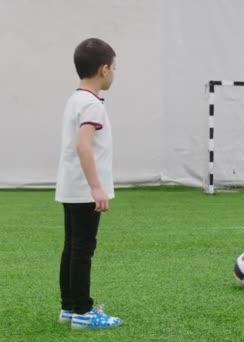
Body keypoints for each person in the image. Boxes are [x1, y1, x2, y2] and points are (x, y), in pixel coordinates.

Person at [55, 38, 122, 330]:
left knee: (72, 247)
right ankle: (83, 312)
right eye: (114, 67)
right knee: (83, 248)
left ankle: (69, 307)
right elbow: (85, 146)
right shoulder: (92, 105)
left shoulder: (75, 99)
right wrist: (97, 187)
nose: (115, 73)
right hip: (84, 190)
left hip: (70, 187)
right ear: (104, 69)